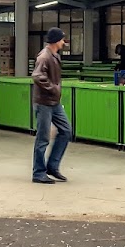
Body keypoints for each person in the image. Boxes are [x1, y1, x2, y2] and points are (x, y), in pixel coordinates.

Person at [31, 28, 72, 184]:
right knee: (43, 137)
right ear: (56, 41)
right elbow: (37, 76)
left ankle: (52, 166)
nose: (63, 42)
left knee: (66, 131)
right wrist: (53, 88)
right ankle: (38, 172)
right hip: (44, 102)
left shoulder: (54, 55)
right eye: (62, 39)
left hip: (53, 102)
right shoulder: (44, 56)